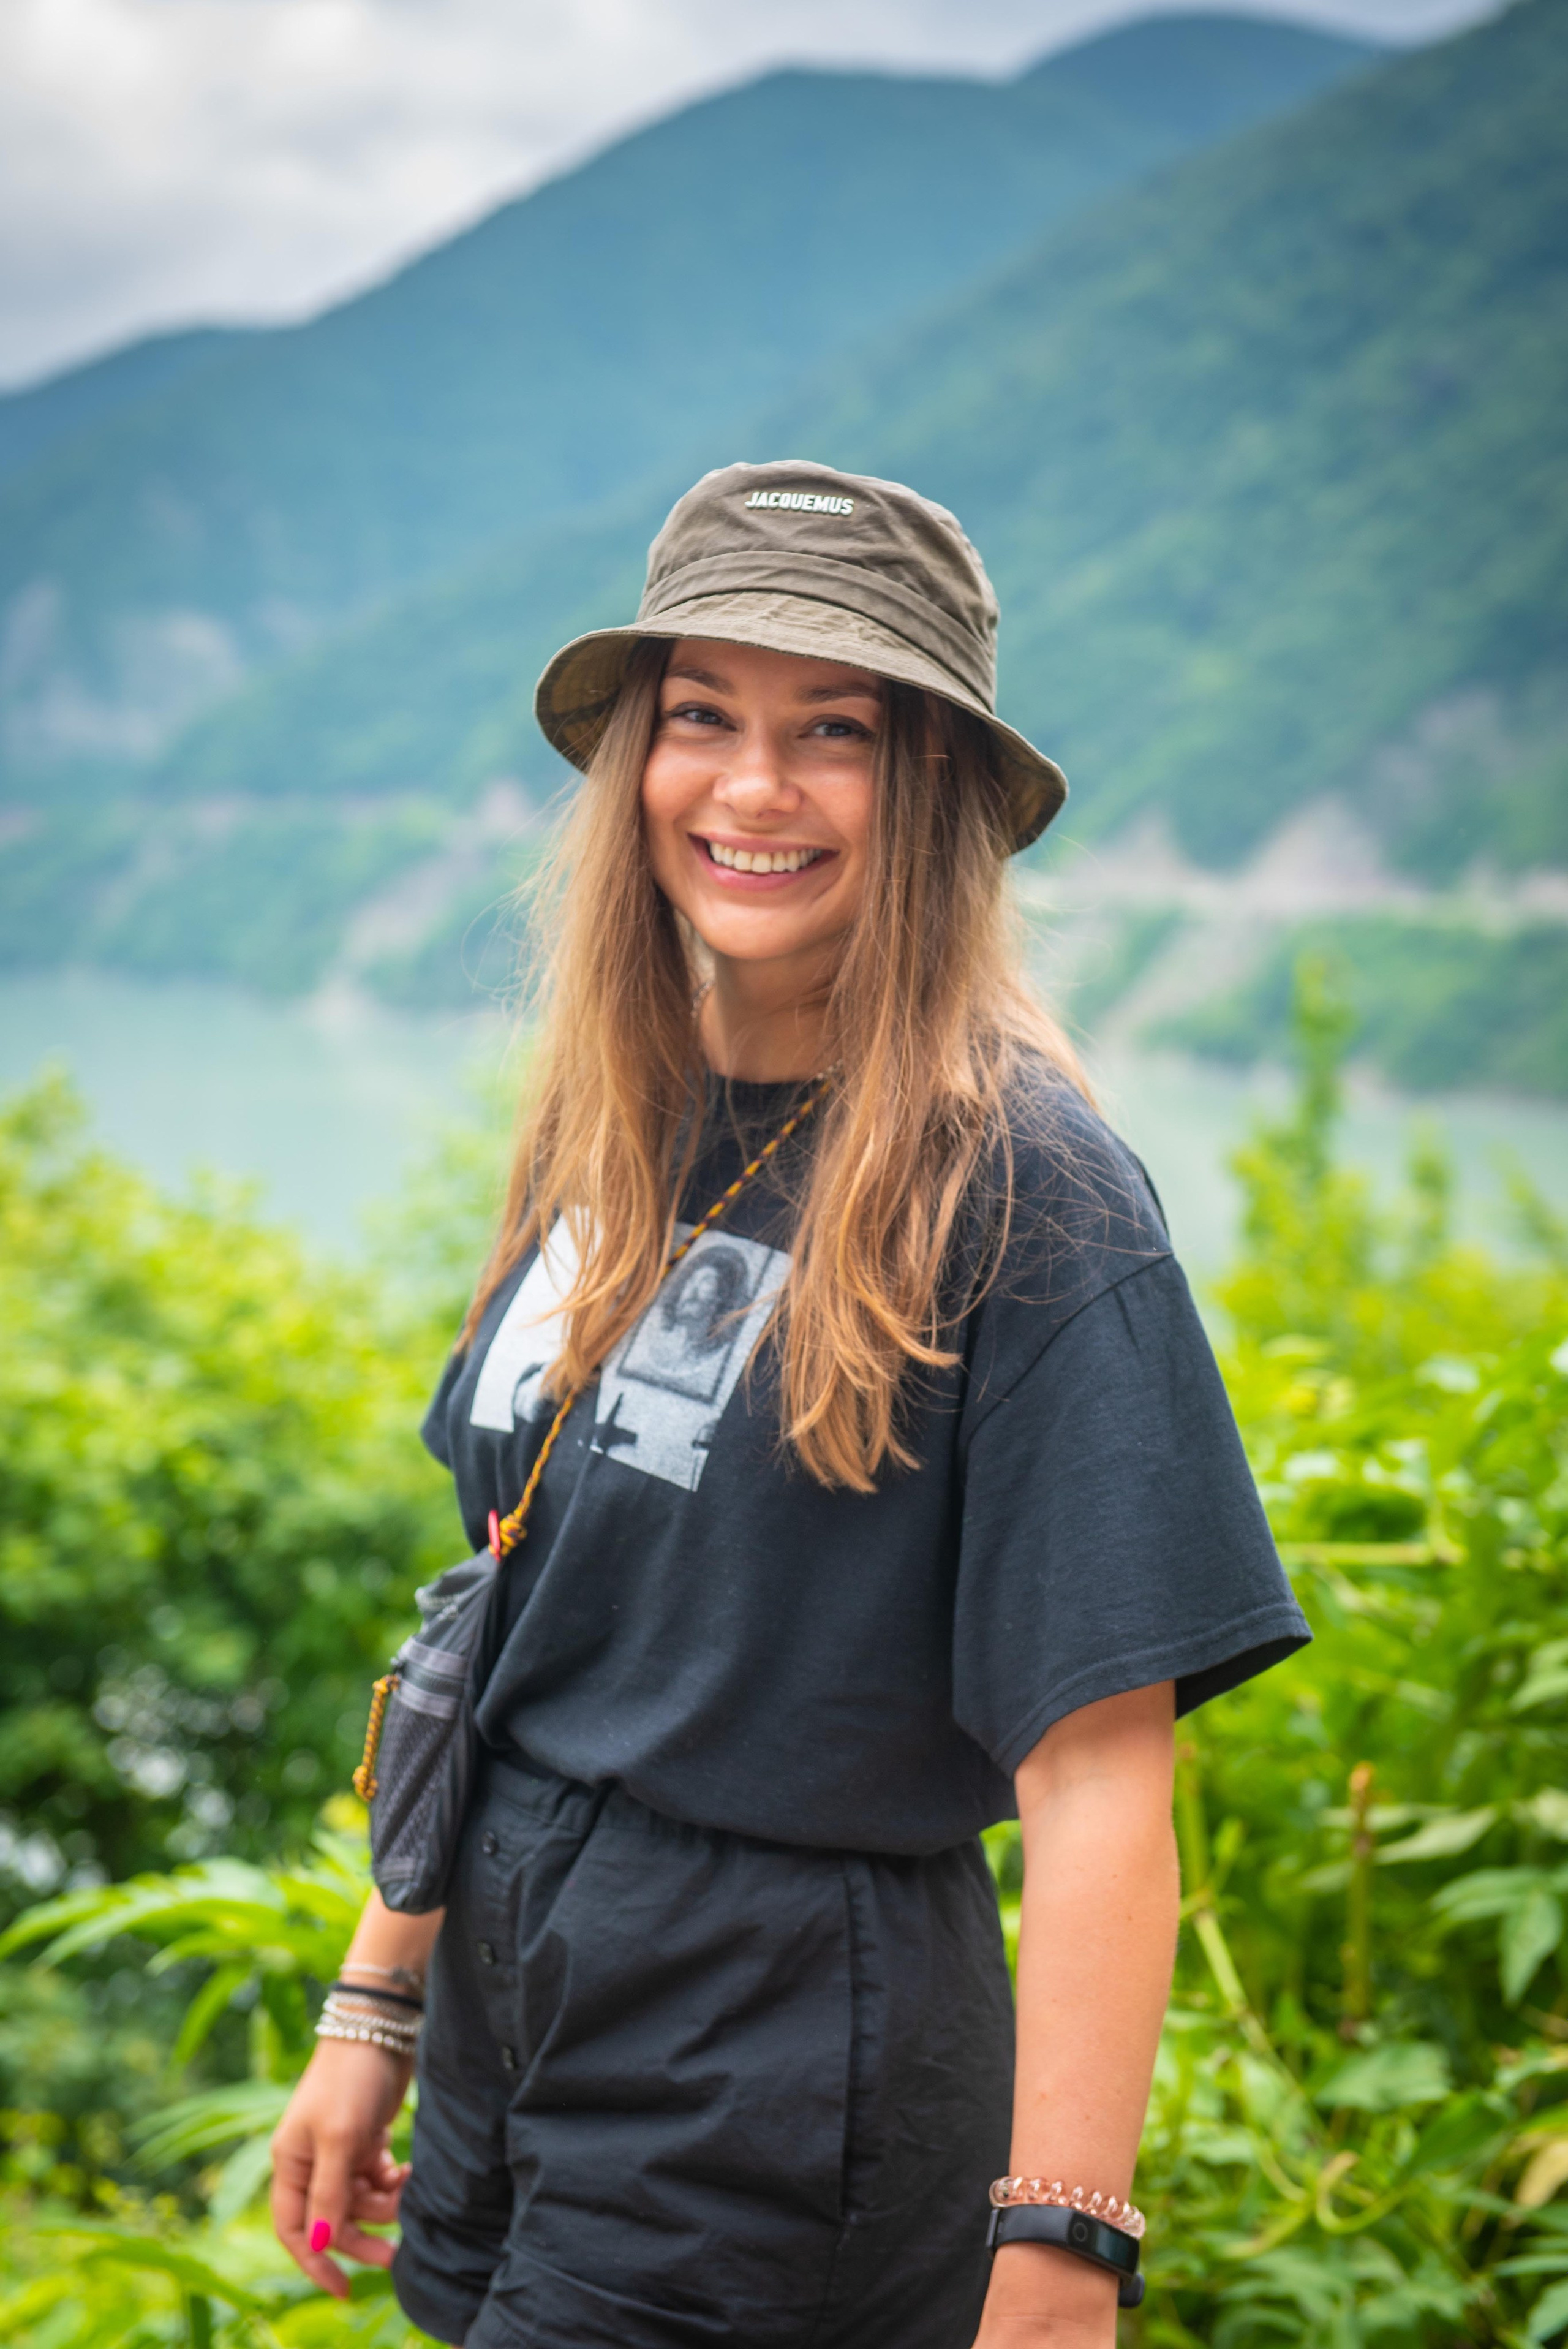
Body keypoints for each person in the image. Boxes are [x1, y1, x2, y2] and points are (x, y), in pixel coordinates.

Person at [271, 460, 1311, 2348]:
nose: (753, 787)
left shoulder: (1023, 1187)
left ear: (932, 792)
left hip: (772, 2069)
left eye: (834, 730)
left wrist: (1066, 2250)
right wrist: (383, 1990)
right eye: (703, 719)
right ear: (634, 768)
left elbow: (1098, 1776)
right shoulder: (615, 1118)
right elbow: (511, 1603)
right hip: (522, 2034)